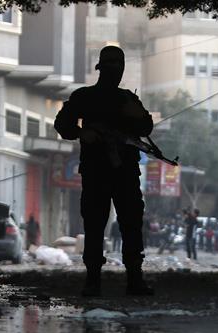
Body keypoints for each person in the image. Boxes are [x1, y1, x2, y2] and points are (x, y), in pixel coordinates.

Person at [55, 45, 154, 297]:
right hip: (97, 171)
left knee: (130, 223)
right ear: (101, 68)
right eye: (111, 66)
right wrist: (82, 133)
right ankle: (94, 280)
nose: (115, 72)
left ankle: (133, 278)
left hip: (124, 172)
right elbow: (63, 124)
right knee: (95, 223)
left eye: (118, 67)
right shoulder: (84, 96)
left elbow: (146, 128)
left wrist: (137, 115)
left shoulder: (127, 99)